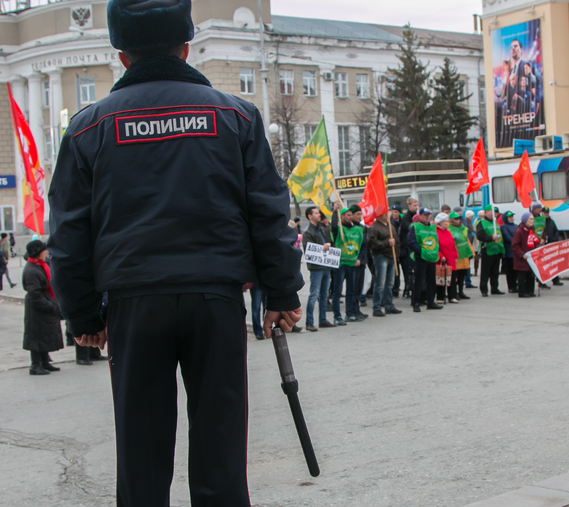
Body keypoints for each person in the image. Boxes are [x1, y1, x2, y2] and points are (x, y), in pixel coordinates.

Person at [48, 2, 304, 503]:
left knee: (140, 457)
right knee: (221, 450)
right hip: (216, 299)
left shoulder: (87, 127)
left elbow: (69, 231)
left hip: (134, 305)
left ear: (121, 56)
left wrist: (82, 312)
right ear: (186, 47)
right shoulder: (236, 115)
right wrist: (280, 291)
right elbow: (269, 212)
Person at [22, 240, 64, 375]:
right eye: (44, 250)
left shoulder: (40, 266)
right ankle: (35, 364)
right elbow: (35, 294)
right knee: (36, 336)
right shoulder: (31, 270)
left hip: (44, 305)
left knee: (44, 334)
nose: (47, 252)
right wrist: (50, 306)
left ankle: (44, 361)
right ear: (38, 252)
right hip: (36, 309)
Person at [302, 206, 337, 332]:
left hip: (326, 265)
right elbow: (308, 250)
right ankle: (309, 322)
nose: (319, 215)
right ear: (309, 216)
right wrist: (323, 247)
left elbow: (329, 242)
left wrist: (328, 245)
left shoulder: (322, 228)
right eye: (316, 213)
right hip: (316, 267)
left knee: (324, 294)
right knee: (314, 294)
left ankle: (322, 319)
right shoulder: (308, 232)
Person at [407, 207, 443, 312]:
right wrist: (420, 251)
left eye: (428, 215)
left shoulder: (433, 227)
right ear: (420, 216)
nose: (427, 217)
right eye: (425, 215)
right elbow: (411, 242)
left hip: (431, 257)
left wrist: (436, 251)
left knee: (431, 281)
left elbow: (436, 241)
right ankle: (416, 302)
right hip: (421, 258)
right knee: (419, 281)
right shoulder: (415, 227)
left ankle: (431, 302)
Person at [331, 206, 363, 323]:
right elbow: (333, 226)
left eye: (351, 215)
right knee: (337, 291)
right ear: (342, 216)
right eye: (347, 215)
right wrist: (335, 212)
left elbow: (361, 245)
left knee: (351, 290)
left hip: (352, 263)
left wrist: (359, 258)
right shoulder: (339, 229)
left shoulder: (358, 230)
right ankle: (337, 316)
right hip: (340, 264)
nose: (350, 217)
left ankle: (349, 313)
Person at [367, 212, 402, 317]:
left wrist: (396, 254)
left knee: (389, 283)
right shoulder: (374, 227)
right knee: (380, 283)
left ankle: (389, 305)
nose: (386, 214)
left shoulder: (391, 226)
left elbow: (397, 241)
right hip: (381, 257)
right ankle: (376, 307)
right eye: (383, 213)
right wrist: (387, 242)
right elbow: (373, 244)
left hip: (392, 256)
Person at [476, 205, 505, 296]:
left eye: (495, 212)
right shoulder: (482, 222)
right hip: (487, 250)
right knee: (485, 271)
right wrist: (491, 238)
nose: (494, 214)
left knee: (495, 271)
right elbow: (480, 236)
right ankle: (484, 289)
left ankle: (495, 288)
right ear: (486, 212)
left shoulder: (495, 222)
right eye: (492, 212)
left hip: (496, 250)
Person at [511, 213, 539, 297]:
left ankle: (530, 291)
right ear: (525, 220)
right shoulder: (519, 231)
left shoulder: (531, 231)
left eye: (532, 219)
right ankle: (522, 292)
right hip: (522, 258)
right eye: (530, 219)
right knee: (522, 276)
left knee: (530, 276)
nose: (532, 221)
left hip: (530, 257)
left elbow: (534, 242)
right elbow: (515, 245)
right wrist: (522, 254)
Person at [434, 213, 459, 303]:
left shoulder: (448, 232)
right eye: (444, 221)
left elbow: (453, 245)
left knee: (452, 278)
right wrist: (441, 256)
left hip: (450, 258)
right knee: (441, 277)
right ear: (440, 222)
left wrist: (456, 256)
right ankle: (440, 297)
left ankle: (452, 296)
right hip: (443, 259)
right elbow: (436, 246)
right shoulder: (436, 233)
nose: (446, 223)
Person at [448, 211, 474, 300]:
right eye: (455, 218)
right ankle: (454, 293)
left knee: (462, 275)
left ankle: (461, 291)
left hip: (464, 254)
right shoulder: (449, 228)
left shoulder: (463, 228)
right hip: (455, 255)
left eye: (459, 218)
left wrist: (471, 252)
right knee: (454, 276)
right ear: (451, 219)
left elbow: (467, 240)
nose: (458, 220)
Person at [350, 205, 370, 319]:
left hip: (361, 261)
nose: (359, 217)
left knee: (359, 286)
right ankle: (352, 309)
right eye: (357, 214)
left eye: (360, 214)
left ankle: (357, 309)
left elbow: (364, 244)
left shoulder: (363, 228)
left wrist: (363, 258)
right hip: (351, 260)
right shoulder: (348, 228)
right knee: (352, 286)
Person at [399, 197, 419, 298]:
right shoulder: (406, 217)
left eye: (417, 205)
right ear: (409, 206)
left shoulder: (417, 216)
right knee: (407, 270)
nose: (416, 207)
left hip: (413, 247)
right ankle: (407, 288)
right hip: (406, 248)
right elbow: (409, 227)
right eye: (414, 205)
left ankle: (412, 288)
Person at [542, 206, 563, 287]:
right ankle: (542, 282)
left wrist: (554, 239)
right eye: (545, 213)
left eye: (547, 213)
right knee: (544, 265)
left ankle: (555, 280)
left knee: (553, 263)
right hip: (544, 246)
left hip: (551, 245)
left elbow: (556, 231)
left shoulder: (551, 221)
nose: (546, 214)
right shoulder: (541, 222)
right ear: (542, 213)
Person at [500, 211, 519, 293]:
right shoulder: (504, 227)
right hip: (509, 252)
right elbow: (507, 237)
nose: (511, 218)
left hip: (516, 251)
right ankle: (511, 286)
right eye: (509, 217)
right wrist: (516, 242)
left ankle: (516, 285)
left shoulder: (516, 226)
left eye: (512, 217)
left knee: (516, 270)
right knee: (510, 270)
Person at [390, 205, 405, 297]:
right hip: (393, 249)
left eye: (396, 212)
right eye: (393, 212)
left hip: (401, 248)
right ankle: (394, 288)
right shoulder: (391, 223)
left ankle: (397, 287)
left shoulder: (402, 222)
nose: (395, 213)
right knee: (394, 269)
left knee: (398, 271)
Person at [463, 209, 478, 288]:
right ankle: (467, 281)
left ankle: (467, 280)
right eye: (471, 216)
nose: (472, 217)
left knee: (467, 264)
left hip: (469, 243)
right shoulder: (466, 223)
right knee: (466, 265)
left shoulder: (468, 222)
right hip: (467, 245)